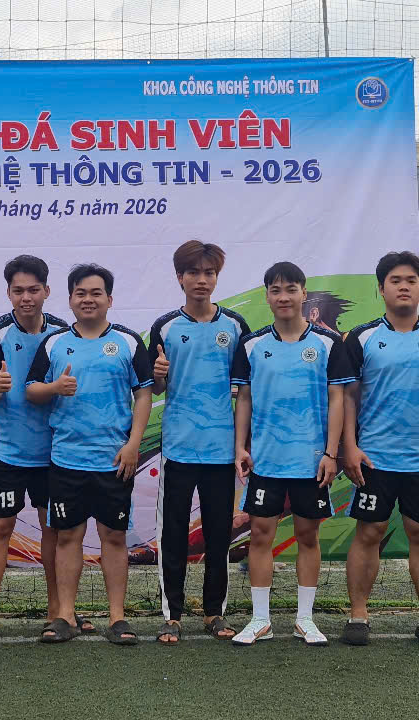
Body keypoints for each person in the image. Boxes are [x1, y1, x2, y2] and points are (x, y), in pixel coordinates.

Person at [341, 250, 419, 647]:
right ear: (381, 289)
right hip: (374, 457)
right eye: (395, 281)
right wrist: (349, 447)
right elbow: (348, 396)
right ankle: (358, 616)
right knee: (369, 532)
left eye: (410, 280)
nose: (403, 287)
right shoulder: (361, 337)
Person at [27, 263, 153, 646]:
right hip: (66, 459)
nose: (88, 299)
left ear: (109, 299)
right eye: (80, 293)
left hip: (114, 460)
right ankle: (64, 615)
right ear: (70, 299)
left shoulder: (128, 342)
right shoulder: (53, 343)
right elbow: (31, 390)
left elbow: (144, 393)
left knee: (113, 536)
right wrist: (54, 388)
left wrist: (133, 444)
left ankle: (117, 618)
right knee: (68, 536)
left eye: (96, 293)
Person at [230, 262, 353, 646]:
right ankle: (260, 620)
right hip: (266, 460)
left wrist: (331, 453)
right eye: (276, 290)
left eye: (291, 289)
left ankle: (305, 619)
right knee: (260, 534)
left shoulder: (328, 343)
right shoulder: (251, 346)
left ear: (304, 294)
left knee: (307, 535)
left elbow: (338, 400)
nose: (283, 297)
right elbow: (244, 398)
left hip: (311, 461)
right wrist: (240, 446)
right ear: (268, 296)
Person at [147, 240, 249, 645]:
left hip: (221, 449)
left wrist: (243, 444)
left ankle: (214, 612)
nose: (201, 280)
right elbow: (154, 387)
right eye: (193, 272)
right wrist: (158, 376)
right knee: (172, 533)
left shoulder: (235, 327)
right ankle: (171, 615)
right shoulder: (165, 327)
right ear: (180, 277)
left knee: (218, 534)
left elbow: (245, 390)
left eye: (209, 273)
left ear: (217, 277)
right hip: (178, 447)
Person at [0, 256, 75, 645]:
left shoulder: (63, 334)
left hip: (54, 453)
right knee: (0, 527)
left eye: (33, 290)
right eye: (18, 291)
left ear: (47, 291)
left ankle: (58, 611)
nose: (26, 297)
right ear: (9, 293)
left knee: (55, 529)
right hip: (9, 453)